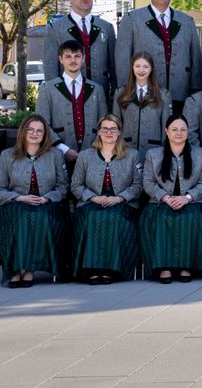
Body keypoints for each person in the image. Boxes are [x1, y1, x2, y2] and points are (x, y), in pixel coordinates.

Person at [0, 115, 68, 287]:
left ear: (45, 135)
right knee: (21, 216)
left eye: (39, 131)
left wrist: (46, 198)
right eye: (31, 130)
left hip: (47, 205)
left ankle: (30, 270)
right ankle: (16, 269)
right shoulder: (7, 156)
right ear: (23, 132)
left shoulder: (55, 155)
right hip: (15, 204)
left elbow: (63, 187)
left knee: (38, 217)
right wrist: (19, 197)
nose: (35, 133)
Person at [116, 0, 202, 113]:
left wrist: (196, 89)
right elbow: (122, 58)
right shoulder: (132, 19)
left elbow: (196, 59)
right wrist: (126, 89)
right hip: (144, 94)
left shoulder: (187, 21)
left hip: (180, 92)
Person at [140, 114, 202, 284]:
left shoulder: (200, 154)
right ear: (166, 131)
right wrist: (165, 197)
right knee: (161, 218)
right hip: (160, 202)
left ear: (188, 132)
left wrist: (187, 198)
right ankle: (164, 267)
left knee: (190, 218)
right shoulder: (153, 154)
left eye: (183, 129)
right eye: (174, 129)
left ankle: (186, 266)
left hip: (191, 202)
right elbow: (148, 183)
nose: (178, 133)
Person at [71, 114, 142, 285]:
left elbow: (138, 185)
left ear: (119, 132)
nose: (108, 132)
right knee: (94, 217)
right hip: (91, 203)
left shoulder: (132, 155)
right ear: (99, 132)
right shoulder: (85, 156)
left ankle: (112, 269)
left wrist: (119, 198)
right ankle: (93, 270)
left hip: (122, 204)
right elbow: (76, 185)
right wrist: (94, 197)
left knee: (113, 218)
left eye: (113, 129)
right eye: (105, 128)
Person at [37, 40, 109, 164]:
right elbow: (42, 124)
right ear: (60, 59)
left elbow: (104, 123)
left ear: (84, 58)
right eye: (68, 56)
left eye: (77, 56)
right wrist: (63, 149)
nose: (73, 60)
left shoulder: (97, 89)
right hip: (58, 154)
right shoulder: (47, 89)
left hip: (92, 154)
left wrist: (94, 149)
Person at [44, 0, 115, 95]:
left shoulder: (106, 27)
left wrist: (115, 93)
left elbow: (113, 64)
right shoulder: (55, 28)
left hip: (101, 94)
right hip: (68, 95)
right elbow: (50, 67)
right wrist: (55, 96)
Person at [116, 52, 172, 158]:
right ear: (132, 68)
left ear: (151, 69)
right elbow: (116, 124)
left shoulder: (163, 95)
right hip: (126, 150)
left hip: (153, 151)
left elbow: (166, 127)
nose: (141, 70)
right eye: (137, 66)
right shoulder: (120, 93)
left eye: (146, 66)